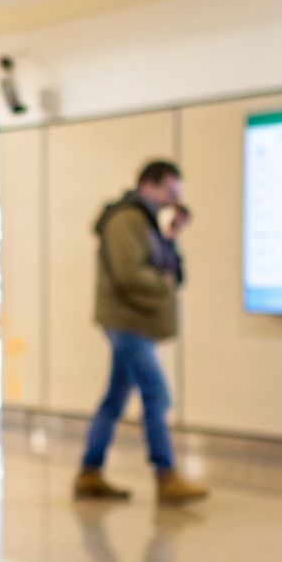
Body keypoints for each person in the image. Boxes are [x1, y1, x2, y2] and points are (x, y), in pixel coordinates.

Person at [74, 160, 209, 504]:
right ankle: (166, 475)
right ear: (149, 186)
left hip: (136, 322)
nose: (173, 200)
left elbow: (167, 267)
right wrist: (163, 284)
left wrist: (172, 237)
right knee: (155, 395)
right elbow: (129, 274)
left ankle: (90, 471)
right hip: (126, 323)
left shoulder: (147, 223)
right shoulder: (127, 220)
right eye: (170, 191)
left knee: (115, 398)